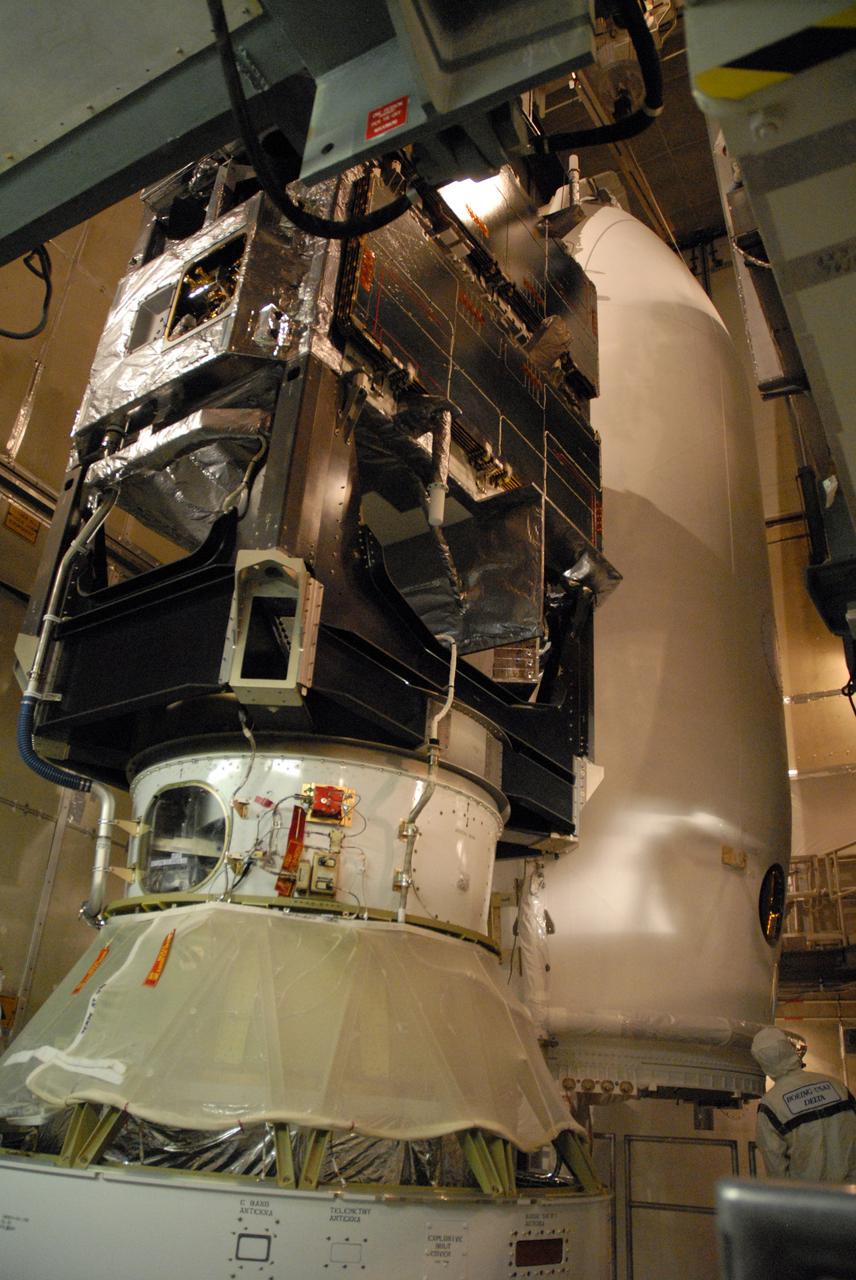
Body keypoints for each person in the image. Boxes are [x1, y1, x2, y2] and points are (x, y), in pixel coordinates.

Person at [751, 1025, 856, 1182]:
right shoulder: (836, 1086)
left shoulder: (771, 1106)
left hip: (811, 1200)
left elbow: (777, 1171)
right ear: (790, 1050)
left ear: (763, 1064)